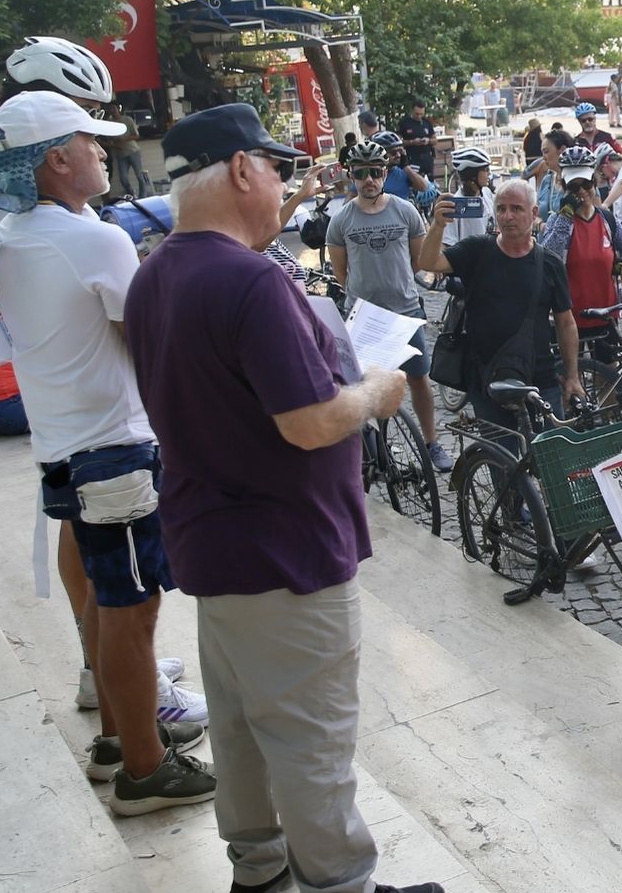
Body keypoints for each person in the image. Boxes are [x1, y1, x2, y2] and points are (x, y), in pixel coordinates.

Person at [127, 104, 441, 893]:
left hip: (214, 544)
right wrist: (374, 390)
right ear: (240, 170)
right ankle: (342, 882)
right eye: (276, 169)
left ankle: (259, 868)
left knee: (238, 730)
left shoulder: (156, 273)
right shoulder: (249, 279)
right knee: (311, 738)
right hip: (287, 554)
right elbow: (308, 423)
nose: (282, 187)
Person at [0, 90, 214, 814]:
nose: (104, 151)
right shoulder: (94, 239)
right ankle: (144, 769)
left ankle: (117, 739)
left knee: (109, 605)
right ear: (56, 159)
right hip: (113, 449)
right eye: (90, 141)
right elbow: (147, 333)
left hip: (65, 448)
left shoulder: (16, 234)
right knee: (132, 609)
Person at [326, 139, 449, 472]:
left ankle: (431, 442)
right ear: (351, 175)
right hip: (364, 318)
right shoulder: (341, 220)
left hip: (406, 311)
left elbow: (420, 259)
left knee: (419, 380)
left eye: (376, 172)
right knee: (366, 388)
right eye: (362, 173)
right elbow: (341, 272)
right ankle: (374, 452)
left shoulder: (404, 210)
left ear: (385, 173)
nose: (369, 180)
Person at [419, 178, 582, 425]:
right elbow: (429, 263)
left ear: (533, 213)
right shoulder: (476, 250)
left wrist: (572, 376)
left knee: (551, 454)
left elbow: (566, 322)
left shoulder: (550, 264)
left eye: (516, 208)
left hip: (540, 376)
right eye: (501, 209)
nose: (507, 216)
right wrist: (438, 225)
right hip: (486, 377)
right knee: (502, 459)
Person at [539, 146, 622, 360]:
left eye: (586, 184)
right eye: (574, 186)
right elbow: (548, 257)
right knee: (569, 377)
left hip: (605, 313)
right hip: (569, 317)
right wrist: (565, 218)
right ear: (564, 186)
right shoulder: (558, 220)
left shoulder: (606, 218)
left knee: (607, 376)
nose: (581, 192)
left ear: (594, 182)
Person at [441, 146, 496, 245]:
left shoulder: (486, 193)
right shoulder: (456, 205)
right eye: (486, 169)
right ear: (472, 175)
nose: (489, 173)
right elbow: (448, 244)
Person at [531, 129, 571, 221]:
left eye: (546, 151)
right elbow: (535, 215)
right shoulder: (547, 180)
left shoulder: (581, 182)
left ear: (562, 150)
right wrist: (540, 225)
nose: (544, 157)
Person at [396, 102, 436, 178]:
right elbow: (398, 142)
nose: (419, 116)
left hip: (426, 157)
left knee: (430, 181)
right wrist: (412, 142)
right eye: (417, 114)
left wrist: (428, 141)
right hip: (412, 157)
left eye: (421, 114)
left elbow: (435, 140)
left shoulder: (427, 122)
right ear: (412, 111)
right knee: (414, 180)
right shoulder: (404, 123)